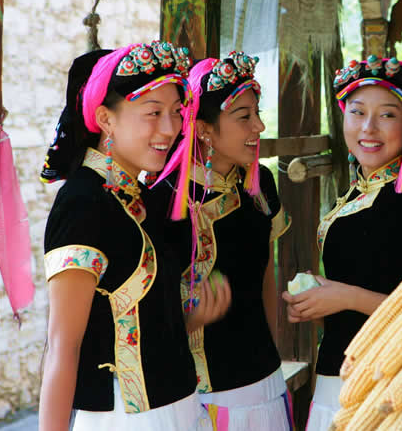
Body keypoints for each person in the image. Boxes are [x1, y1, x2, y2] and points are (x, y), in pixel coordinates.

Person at [39, 41, 225, 431]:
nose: (171, 128)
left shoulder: (137, 197)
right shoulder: (83, 204)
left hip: (178, 409)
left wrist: (187, 321)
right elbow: (62, 347)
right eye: (152, 113)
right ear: (106, 119)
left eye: (176, 112)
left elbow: (129, 322)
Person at [284, 56, 402, 431]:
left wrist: (345, 297)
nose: (369, 127)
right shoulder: (352, 195)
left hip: (393, 387)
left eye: (388, 115)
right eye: (357, 112)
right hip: (337, 379)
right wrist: (320, 298)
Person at [158, 53, 293, 429]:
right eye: (244, 117)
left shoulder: (260, 184)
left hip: (266, 378)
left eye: (257, 112)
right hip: (202, 395)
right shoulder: (165, 198)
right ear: (203, 129)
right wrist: (189, 319)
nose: (260, 125)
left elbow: (267, 276)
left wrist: (273, 352)